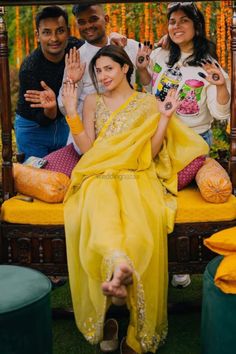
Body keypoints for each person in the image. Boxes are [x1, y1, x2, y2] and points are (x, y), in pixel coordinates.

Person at [61, 45, 208, 354]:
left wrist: (166, 118)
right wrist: (72, 112)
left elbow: (152, 152)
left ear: (125, 68)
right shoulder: (91, 101)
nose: (103, 76)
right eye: (98, 71)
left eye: (108, 69)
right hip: (100, 173)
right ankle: (118, 265)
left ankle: (131, 313)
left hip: (137, 172)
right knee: (98, 206)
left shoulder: (147, 103)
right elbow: (88, 150)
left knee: (142, 216)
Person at [136, 1, 231, 288]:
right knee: (154, 198)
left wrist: (220, 85)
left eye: (183, 21)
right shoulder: (161, 56)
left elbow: (221, 114)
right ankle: (160, 257)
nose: (176, 26)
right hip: (160, 138)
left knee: (177, 200)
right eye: (172, 21)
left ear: (197, 26)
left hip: (193, 143)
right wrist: (142, 69)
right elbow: (147, 90)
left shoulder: (209, 66)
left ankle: (181, 262)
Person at [57, 4, 139, 153]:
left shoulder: (129, 47)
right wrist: (71, 81)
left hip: (129, 138)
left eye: (93, 19)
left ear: (106, 19)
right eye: (82, 22)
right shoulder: (77, 59)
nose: (88, 26)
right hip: (87, 143)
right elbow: (64, 107)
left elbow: (155, 65)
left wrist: (167, 39)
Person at [15, 5, 84, 160]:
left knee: (68, 176)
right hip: (33, 127)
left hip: (64, 122)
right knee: (38, 178)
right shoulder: (30, 69)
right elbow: (42, 119)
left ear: (68, 32)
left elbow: (99, 47)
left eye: (60, 31)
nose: (54, 38)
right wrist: (51, 108)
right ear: (37, 35)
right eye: (46, 32)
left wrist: (113, 38)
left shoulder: (75, 48)